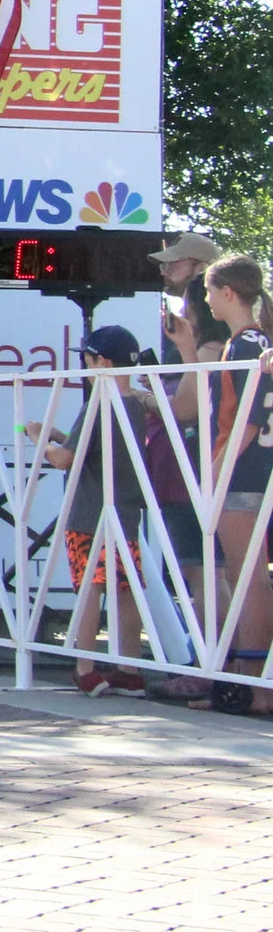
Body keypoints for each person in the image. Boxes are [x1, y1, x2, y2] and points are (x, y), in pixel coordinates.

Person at [25, 324, 160, 698]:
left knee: (89, 589)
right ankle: (129, 669)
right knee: (126, 590)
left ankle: (85, 668)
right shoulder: (138, 404)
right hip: (127, 513)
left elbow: (66, 460)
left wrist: (39, 438)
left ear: (101, 361)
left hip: (89, 514)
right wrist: (58, 435)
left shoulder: (98, 402)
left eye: (85, 359)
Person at [180, 256, 273, 716]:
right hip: (255, 469)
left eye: (212, 292)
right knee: (246, 576)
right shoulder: (259, 342)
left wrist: (216, 466)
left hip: (243, 471)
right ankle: (244, 674)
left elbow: (247, 419)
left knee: (248, 578)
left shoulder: (245, 346)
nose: (208, 301)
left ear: (229, 294)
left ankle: (255, 685)